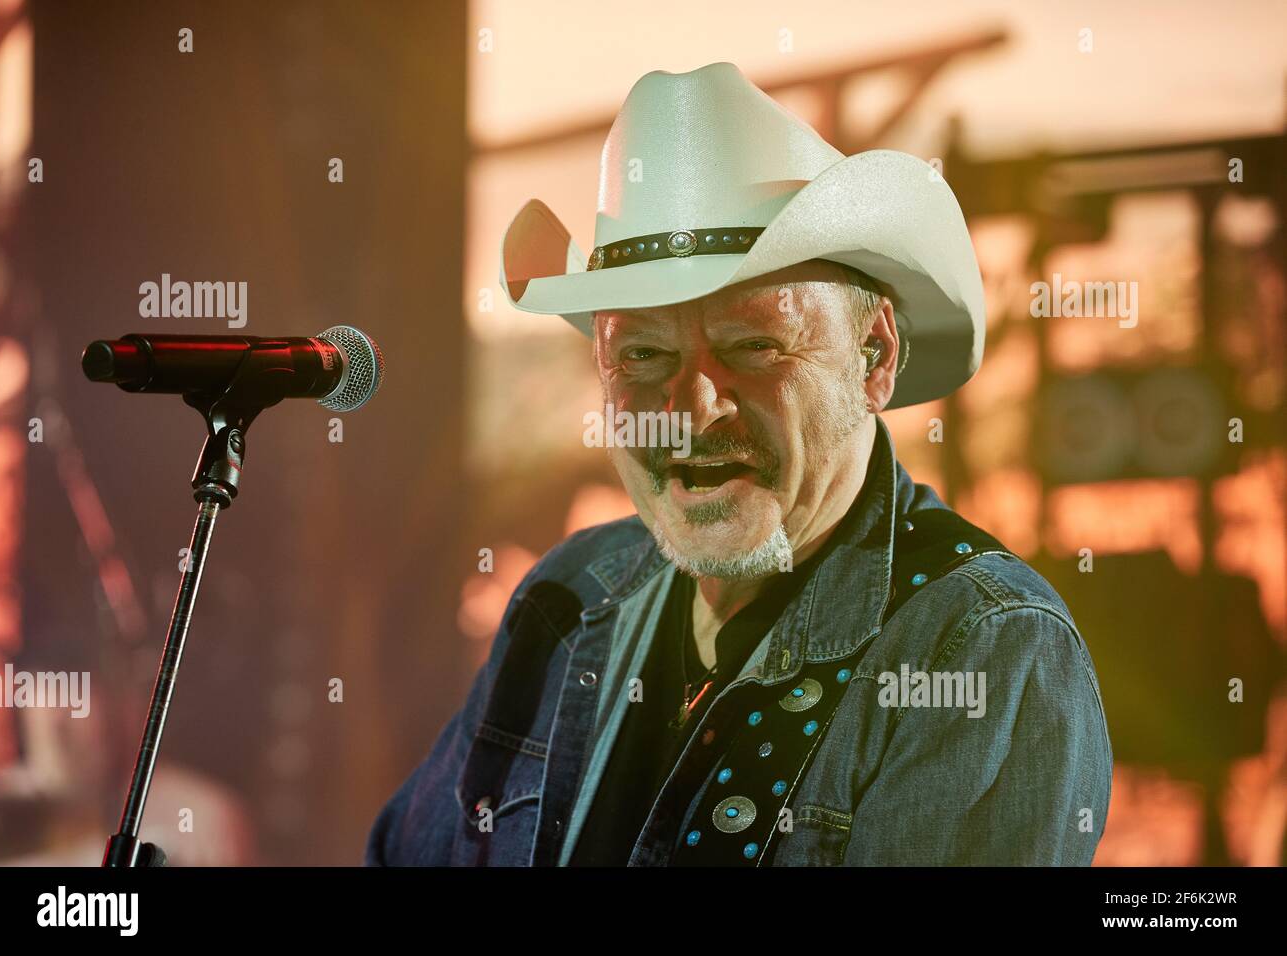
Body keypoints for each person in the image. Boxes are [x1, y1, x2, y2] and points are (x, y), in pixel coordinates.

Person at [366, 62, 1112, 866]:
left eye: (753, 345)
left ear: (875, 355)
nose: (690, 408)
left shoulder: (981, 648)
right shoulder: (567, 599)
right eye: (644, 354)